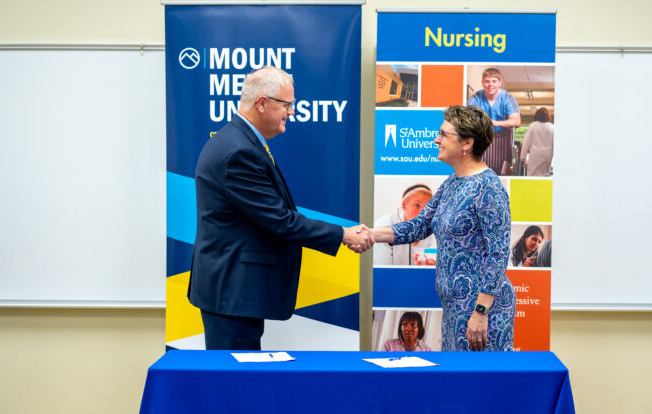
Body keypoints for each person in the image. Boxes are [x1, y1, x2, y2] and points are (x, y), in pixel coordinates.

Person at [188, 66, 373, 350]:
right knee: (236, 384)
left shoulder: (240, 141)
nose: (291, 112)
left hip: (234, 293)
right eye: (287, 105)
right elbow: (280, 220)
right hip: (232, 294)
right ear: (262, 103)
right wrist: (343, 235)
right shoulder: (239, 151)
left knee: (240, 380)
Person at [367, 106, 516, 352]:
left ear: (467, 143)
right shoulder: (451, 183)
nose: (437, 139)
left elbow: (498, 254)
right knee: (456, 380)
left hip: (483, 311)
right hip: (454, 308)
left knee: (478, 384)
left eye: (444, 134)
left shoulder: (489, 188)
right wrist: (372, 234)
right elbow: (420, 225)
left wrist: (481, 311)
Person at [468, 68, 521, 175]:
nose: (490, 85)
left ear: (499, 82)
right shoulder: (476, 98)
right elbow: (467, 118)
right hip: (480, 140)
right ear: (483, 83)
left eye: (494, 81)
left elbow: (516, 121)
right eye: (487, 81)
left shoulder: (507, 98)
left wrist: (495, 123)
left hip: (502, 142)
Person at [374, 184, 436, 265]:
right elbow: (382, 271)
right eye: (417, 205)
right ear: (404, 206)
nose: (423, 213)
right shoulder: (383, 227)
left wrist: (432, 264)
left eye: (428, 207)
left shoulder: (434, 226)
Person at [520, 107, 554, 176]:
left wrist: (523, 157)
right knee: (545, 175)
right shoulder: (552, 127)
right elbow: (554, 143)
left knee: (533, 175)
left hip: (535, 155)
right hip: (548, 155)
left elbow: (526, 143)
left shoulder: (533, 126)